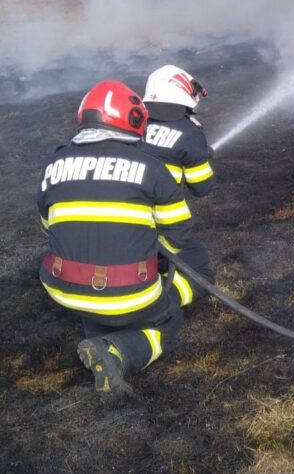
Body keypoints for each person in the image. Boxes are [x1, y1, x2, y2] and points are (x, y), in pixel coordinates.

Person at [37, 80, 205, 396]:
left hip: (62, 289)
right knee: (170, 318)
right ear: (135, 121)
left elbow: (48, 226)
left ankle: (100, 327)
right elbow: (179, 237)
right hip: (129, 295)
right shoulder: (152, 167)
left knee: (101, 306)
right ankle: (116, 351)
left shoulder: (53, 163)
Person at [141, 64, 216, 198]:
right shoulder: (190, 134)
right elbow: (202, 188)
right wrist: (198, 158)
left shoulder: (131, 125)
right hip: (157, 212)